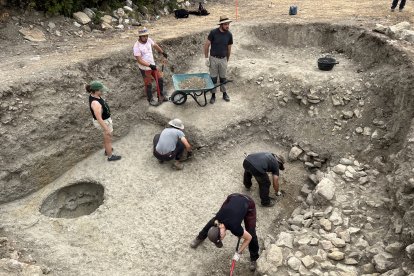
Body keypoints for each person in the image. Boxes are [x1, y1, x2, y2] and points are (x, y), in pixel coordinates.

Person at [190, 193, 259, 272]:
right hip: (232, 197)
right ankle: (200, 237)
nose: (222, 238)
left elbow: (248, 238)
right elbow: (214, 223)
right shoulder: (217, 220)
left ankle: (254, 258)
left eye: (221, 238)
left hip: (248, 202)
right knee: (212, 221)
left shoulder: (234, 228)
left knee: (251, 233)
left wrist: (239, 253)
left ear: (221, 233)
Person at [87, 80, 121, 162]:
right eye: (101, 90)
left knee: (107, 138)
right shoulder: (96, 104)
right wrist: (106, 129)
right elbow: (99, 118)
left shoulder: (94, 96)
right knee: (108, 138)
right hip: (104, 122)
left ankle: (107, 149)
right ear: (96, 91)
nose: (102, 92)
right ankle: (110, 156)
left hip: (105, 120)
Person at [133, 27, 169, 106]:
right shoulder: (136, 46)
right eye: (144, 36)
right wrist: (149, 65)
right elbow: (139, 60)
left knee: (160, 79)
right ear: (140, 36)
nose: (146, 38)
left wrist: (162, 52)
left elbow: (155, 45)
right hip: (145, 68)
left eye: (146, 35)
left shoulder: (149, 40)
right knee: (148, 84)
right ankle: (150, 100)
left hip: (153, 65)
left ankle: (161, 96)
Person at [204, 15, 233, 104]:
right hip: (213, 59)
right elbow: (206, 45)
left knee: (223, 78)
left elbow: (229, 48)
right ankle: (213, 95)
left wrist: (226, 59)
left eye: (228, 24)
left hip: (223, 59)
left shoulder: (229, 34)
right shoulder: (213, 33)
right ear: (221, 25)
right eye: (225, 24)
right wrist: (206, 58)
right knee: (213, 78)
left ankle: (224, 93)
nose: (227, 26)